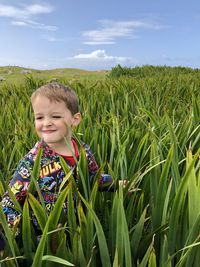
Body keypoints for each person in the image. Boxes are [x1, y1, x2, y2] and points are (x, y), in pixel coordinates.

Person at [1, 82, 113, 236]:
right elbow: (9, 203)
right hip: (44, 237)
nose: (46, 123)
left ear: (75, 119)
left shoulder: (83, 150)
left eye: (55, 116)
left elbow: (94, 179)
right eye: (39, 117)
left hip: (79, 229)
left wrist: (116, 184)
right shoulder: (32, 162)